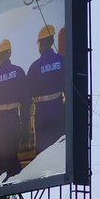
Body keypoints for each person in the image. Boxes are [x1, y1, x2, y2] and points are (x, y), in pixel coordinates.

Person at [0, 39, 29, 179]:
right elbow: (26, 103)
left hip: (0, 127)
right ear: (10, 53)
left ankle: (2, 191)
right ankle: (17, 181)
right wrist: (25, 128)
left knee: (1, 165)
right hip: (14, 123)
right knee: (11, 158)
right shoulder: (19, 72)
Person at [27, 24, 66, 154]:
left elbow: (27, 97)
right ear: (53, 41)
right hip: (59, 111)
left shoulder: (34, 67)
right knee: (60, 151)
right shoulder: (62, 61)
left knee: (42, 155)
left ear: (41, 44)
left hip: (42, 115)